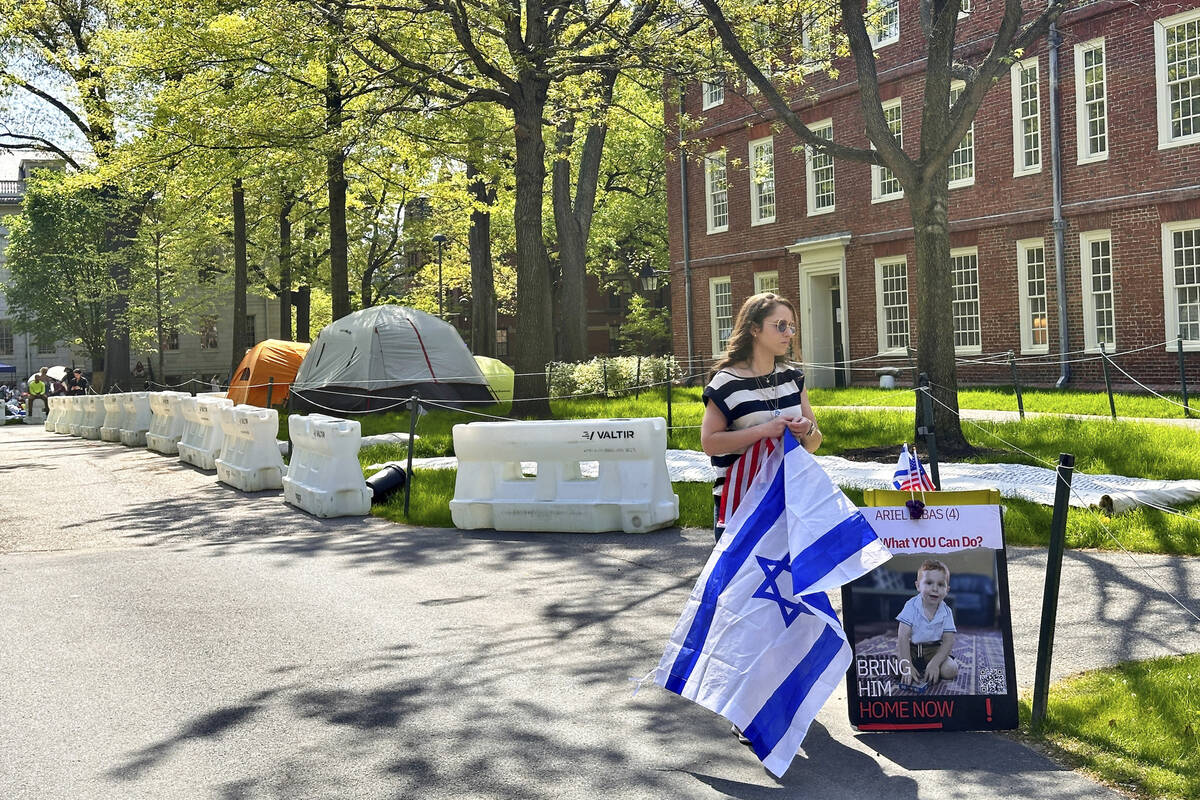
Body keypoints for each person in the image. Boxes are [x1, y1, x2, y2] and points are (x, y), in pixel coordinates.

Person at [700, 292, 822, 543]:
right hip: (741, 501)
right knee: (740, 582)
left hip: (789, 501)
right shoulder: (726, 382)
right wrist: (764, 431)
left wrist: (807, 430)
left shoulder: (793, 378)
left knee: (792, 582)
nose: (788, 333)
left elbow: (814, 444)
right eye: (780, 326)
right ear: (754, 329)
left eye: (791, 326)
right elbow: (709, 443)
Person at [895, 559, 960, 690]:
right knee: (895, 669)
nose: (935, 589)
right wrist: (907, 664)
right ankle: (912, 667)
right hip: (912, 648)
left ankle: (929, 668)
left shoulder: (946, 611)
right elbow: (902, 637)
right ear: (918, 586)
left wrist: (935, 663)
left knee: (950, 670)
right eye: (929, 583)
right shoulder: (910, 606)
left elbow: (948, 641)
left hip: (934, 650)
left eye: (941, 585)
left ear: (947, 590)